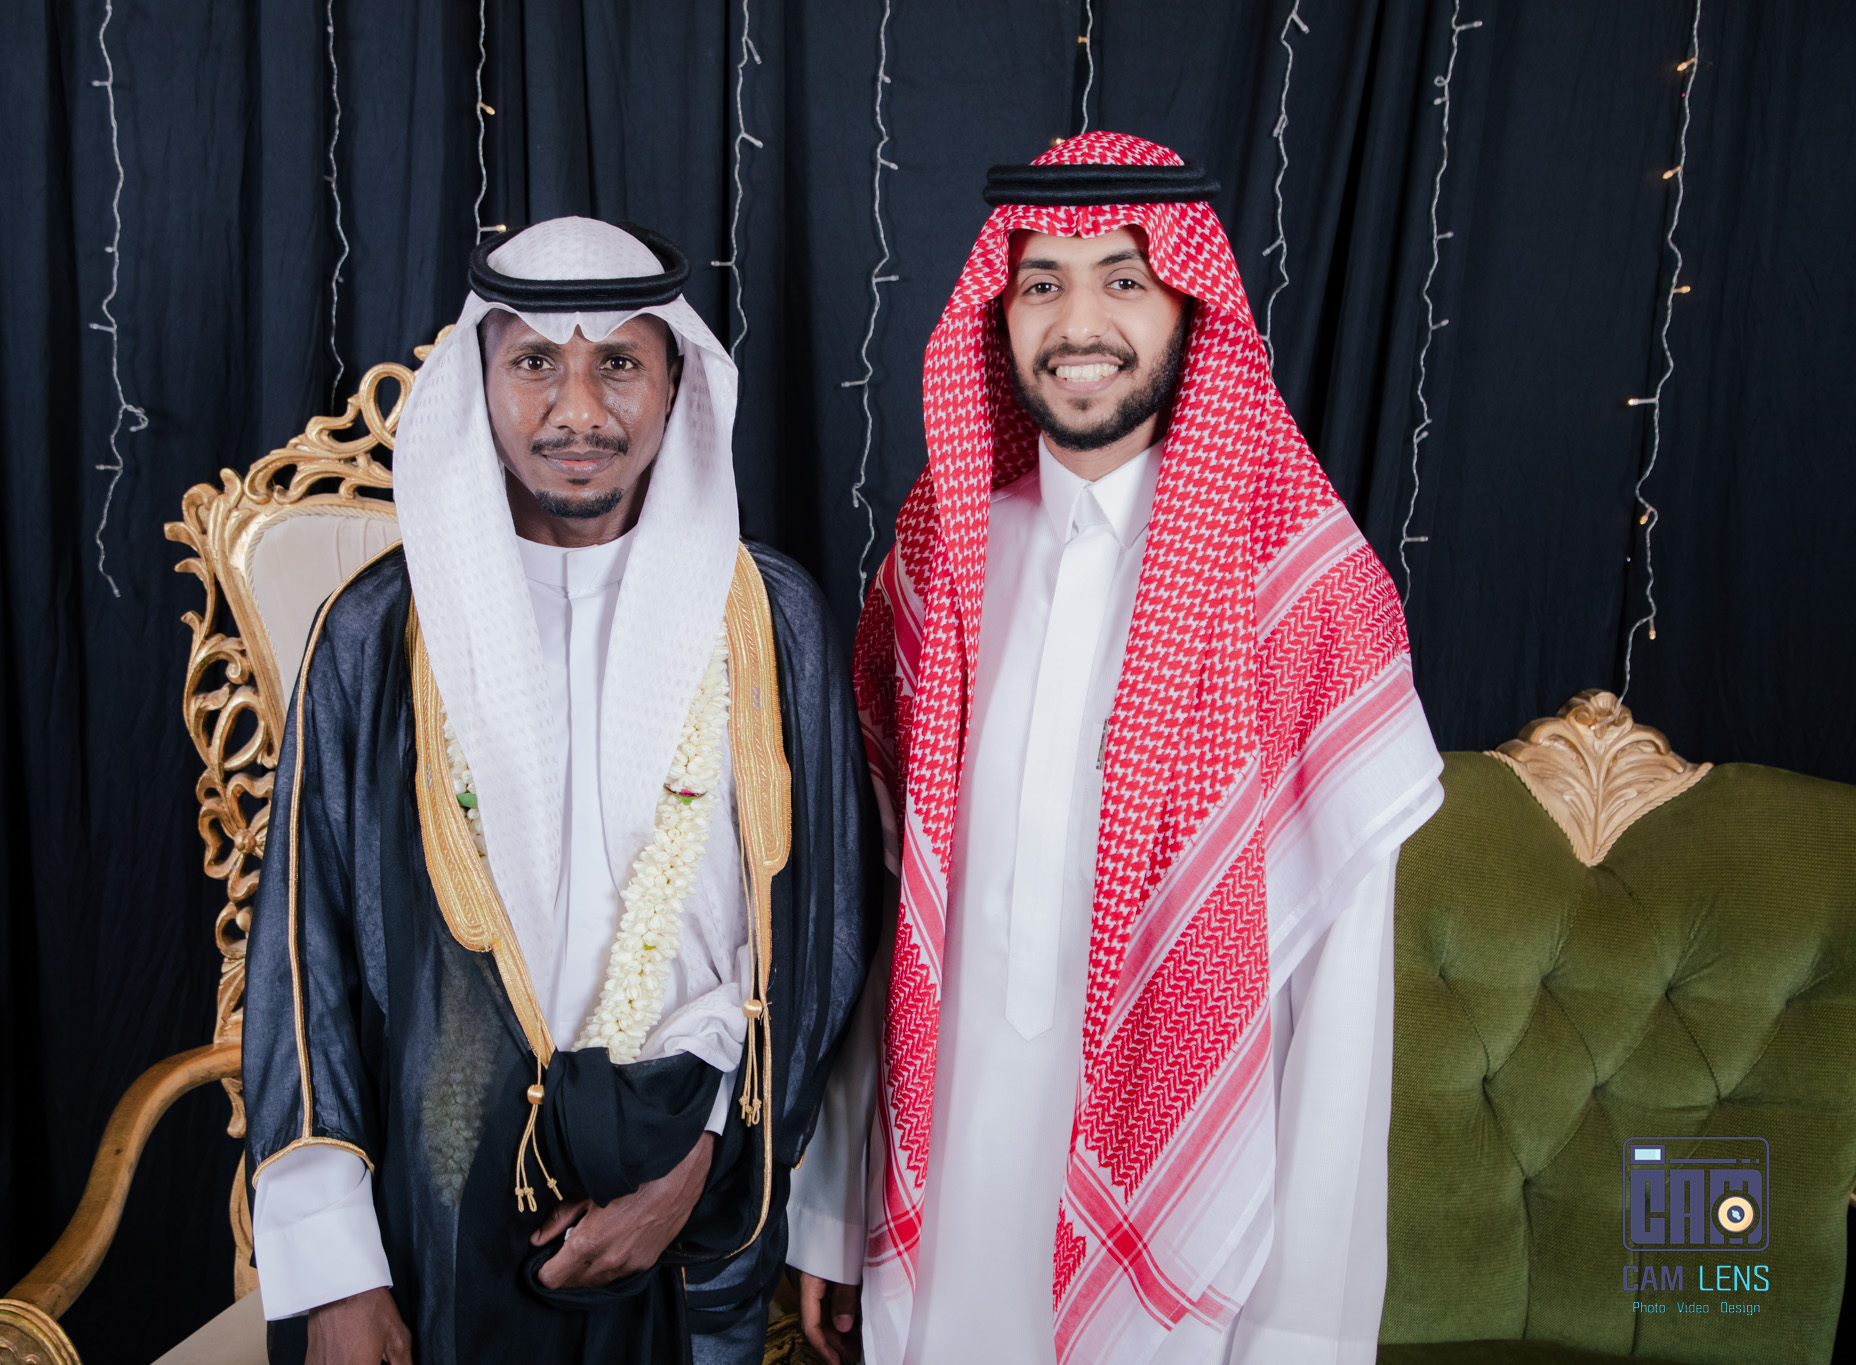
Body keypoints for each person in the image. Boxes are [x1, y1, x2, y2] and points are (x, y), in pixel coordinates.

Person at [788, 132, 1446, 1364]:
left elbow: (1339, 1008)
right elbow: (881, 906)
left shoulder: (1304, 596)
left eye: (1124, 279)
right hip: (945, 1202)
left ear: (1189, 309)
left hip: (1189, 1247)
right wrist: (831, 1207)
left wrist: (1301, 1336)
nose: (1077, 323)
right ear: (998, 312)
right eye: (1041, 281)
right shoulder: (937, 554)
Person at [242, 216, 876, 1365]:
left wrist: (697, 1170)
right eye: (534, 361)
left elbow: (824, 941)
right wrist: (337, 1276)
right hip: (439, 1218)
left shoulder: (767, 622)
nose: (576, 410)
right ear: (478, 383)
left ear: (676, 383)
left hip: (689, 1211)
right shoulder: (377, 634)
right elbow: (306, 960)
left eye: (617, 362)